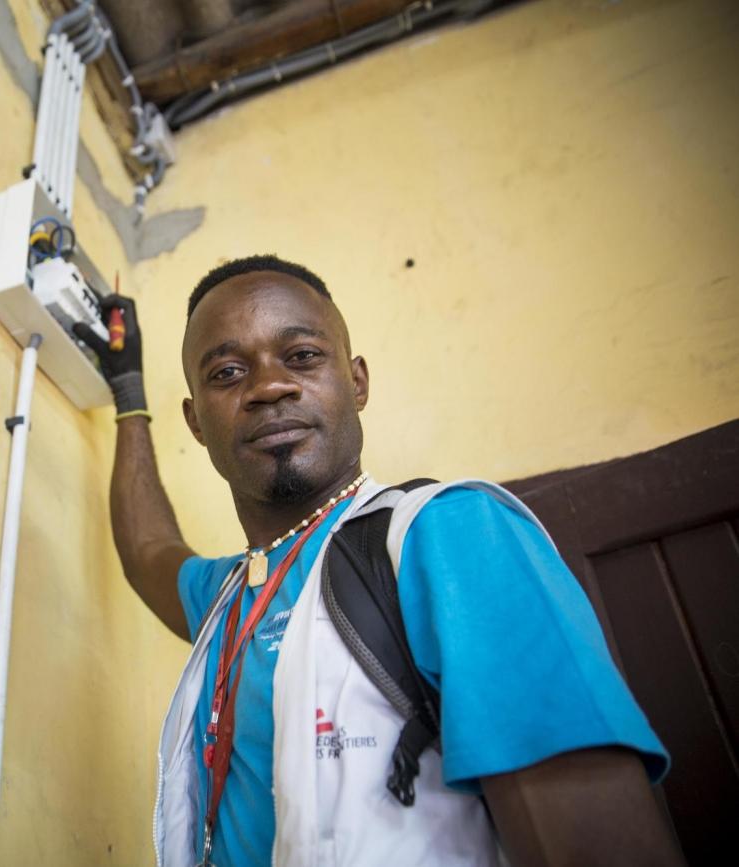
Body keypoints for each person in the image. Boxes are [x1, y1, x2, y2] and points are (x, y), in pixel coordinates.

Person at [72, 255, 682, 867]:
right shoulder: (232, 597)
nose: (268, 387)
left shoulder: (447, 532)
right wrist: (128, 392)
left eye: (303, 356)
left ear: (357, 381)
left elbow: (587, 834)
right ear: (196, 422)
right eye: (228, 373)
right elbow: (148, 550)